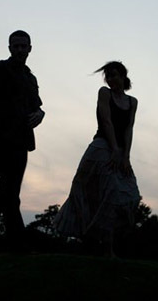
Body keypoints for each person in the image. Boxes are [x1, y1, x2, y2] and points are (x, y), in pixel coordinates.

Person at [54, 61, 141, 257]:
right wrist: (114, 148)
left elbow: (128, 129)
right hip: (101, 148)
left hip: (120, 153)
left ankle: (107, 245)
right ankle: (102, 248)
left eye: (114, 75)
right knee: (104, 194)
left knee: (130, 196)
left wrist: (125, 155)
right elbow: (106, 121)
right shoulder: (104, 93)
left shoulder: (132, 102)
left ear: (123, 76)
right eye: (108, 76)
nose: (110, 79)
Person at [0, 30, 45, 246]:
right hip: (1, 135)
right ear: (10, 48)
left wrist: (40, 114)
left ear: (30, 48)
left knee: (10, 192)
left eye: (24, 46)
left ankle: (8, 242)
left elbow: (37, 107)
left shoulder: (30, 78)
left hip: (22, 139)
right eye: (16, 46)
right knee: (9, 189)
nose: (20, 50)